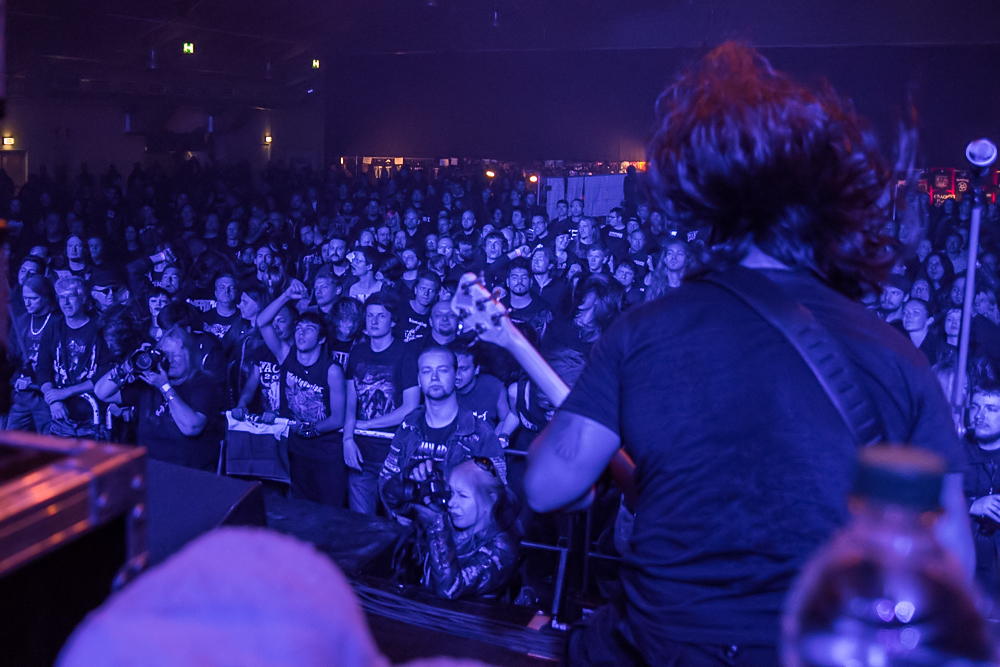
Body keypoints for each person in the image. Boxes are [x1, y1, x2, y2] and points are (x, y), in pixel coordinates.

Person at [517, 44, 972, 666]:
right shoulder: (897, 356)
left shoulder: (645, 331)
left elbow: (547, 487)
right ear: (830, 219)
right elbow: (950, 563)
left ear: (714, 206)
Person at [95, 326, 224, 471]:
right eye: (165, 354)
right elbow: (102, 392)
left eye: (175, 355)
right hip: (151, 469)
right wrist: (128, 365)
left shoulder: (203, 383)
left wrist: (164, 387)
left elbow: (191, 427)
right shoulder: (148, 384)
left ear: (189, 355)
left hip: (190, 473)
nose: (170, 360)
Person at [344, 294, 420, 514]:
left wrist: (367, 424)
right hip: (360, 452)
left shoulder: (406, 354)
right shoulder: (357, 352)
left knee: (397, 522)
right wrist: (347, 439)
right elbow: (350, 402)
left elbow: (411, 408)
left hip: (395, 454)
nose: (374, 321)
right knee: (361, 523)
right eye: (370, 316)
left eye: (381, 316)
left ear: (393, 321)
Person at [278, 312, 348, 507]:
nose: (301, 333)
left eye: (309, 330)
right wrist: (287, 296)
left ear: (322, 338)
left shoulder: (332, 370)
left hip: (327, 453)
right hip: (296, 450)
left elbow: (338, 418)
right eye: (298, 328)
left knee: (330, 512)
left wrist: (309, 429)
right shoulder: (288, 357)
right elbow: (262, 323)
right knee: (300, 509)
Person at [36, 276, 110, 439]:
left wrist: (66, 392)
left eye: (71, 296)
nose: (66, 303)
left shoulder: (99, 329)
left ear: (83, 298)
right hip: (60, 418)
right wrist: (53, 399)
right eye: (61, 297)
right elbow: (42, 369)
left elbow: (104, 375)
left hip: (93, 418)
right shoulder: (53, 327)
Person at [8, 274, 58, 433]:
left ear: (46, 297)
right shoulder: (21, 321)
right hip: (22, 394)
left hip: (46, 395)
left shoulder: (58, 322)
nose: (27, 303)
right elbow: (12, 356)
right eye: (25, 298)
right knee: (11, 439)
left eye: (33, 298)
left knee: (49, 441)